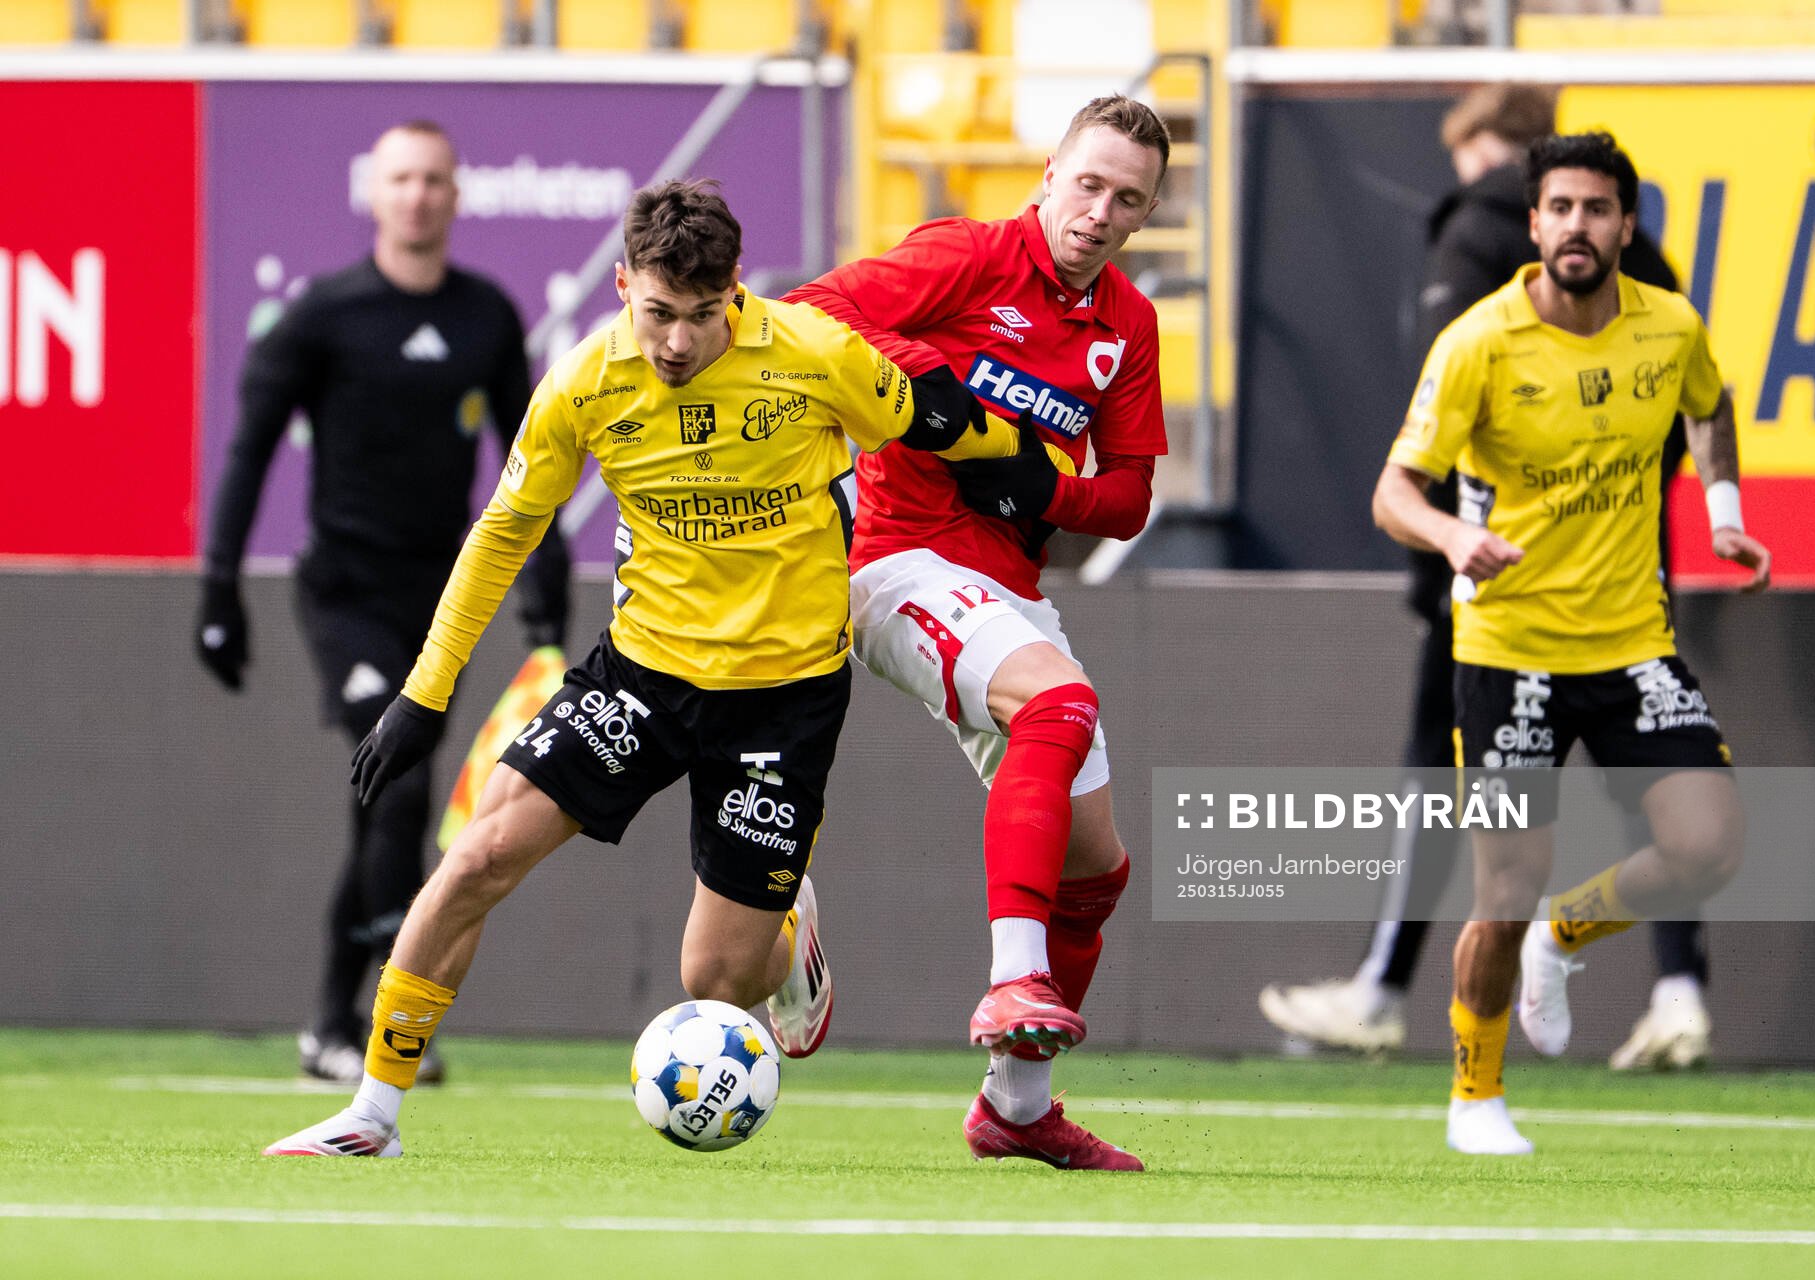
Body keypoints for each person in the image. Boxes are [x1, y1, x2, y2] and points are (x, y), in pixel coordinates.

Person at [262, 178, 1014, 1157]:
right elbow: (501, 534)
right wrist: (423, 691)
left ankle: (791, 942)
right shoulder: (584, 383)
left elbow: (947, 427)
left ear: (736, 291)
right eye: (657, 312)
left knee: (714, 979)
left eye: (702, 316)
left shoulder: (816, 356)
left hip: (781, 700)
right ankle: (373, 1110)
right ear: (622, 285)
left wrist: (1037, 459)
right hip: (642, 674)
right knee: (477, 855)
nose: (676, 342)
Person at [1259, 86, 1713, 1072]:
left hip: (1495, 588)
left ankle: (1384, 987)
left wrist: (1455, 545)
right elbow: (1678, 420)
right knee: (1655, 804)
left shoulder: (1474, 244)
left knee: (1443, 782)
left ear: (1502, 157)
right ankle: (1677, 992)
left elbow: (1444, 414)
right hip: (1626, 580)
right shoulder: (1657, 277)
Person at [786, 95, 1167, 1172]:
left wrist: (1042, 478)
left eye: (1126, 199)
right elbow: (807, 316)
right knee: (1060, 702)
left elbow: (1131, 494)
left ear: (1145, 215)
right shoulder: (964, 256)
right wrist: (934, 392)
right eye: (1087, 184)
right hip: (895, 560)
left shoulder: (1126, 327)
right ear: (1048, 173)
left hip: (1010, 593)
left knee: (1097, 870)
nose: (1098, 212)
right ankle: (1013, 976)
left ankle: (1017, 1104)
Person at [1370, 132, 1771, 1155]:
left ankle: (1566, 929)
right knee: (1501, 885)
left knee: (1707, 845)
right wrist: (1455, 533)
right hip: (1508, 651)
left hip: (1633, 639)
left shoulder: (1669, 326)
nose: (1577, 227)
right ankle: (1475, 1098)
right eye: (1560, 208)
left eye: (1597, 209)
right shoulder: (1479, 341)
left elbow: (1711, 403)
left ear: (1626, 227)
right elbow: (1394, 491)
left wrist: (1722, 505)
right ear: (1535, 221)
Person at [196, 120, 571, 1084]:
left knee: (384, 808)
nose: (417, 195)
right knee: (396, 784)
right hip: (344, 595)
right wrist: (219, 589)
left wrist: (542, 587)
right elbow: (248, 449)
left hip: (435, 600)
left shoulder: (488, 315)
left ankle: (335, 1020)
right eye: (401, 178)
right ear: (375, 192)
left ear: (456, 195)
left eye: (435, 180)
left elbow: (529, 464)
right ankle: (372, 1026)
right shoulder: (323, 315)